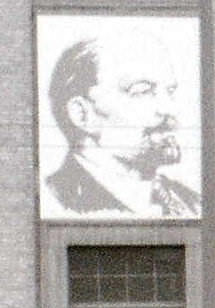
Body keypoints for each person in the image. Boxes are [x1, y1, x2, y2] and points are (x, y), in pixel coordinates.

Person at [44, 29, 200, 217]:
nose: (170, 108)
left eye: (170, 91)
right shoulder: (55, 202)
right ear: (82, 114)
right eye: (142, 91)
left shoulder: (193, 204)